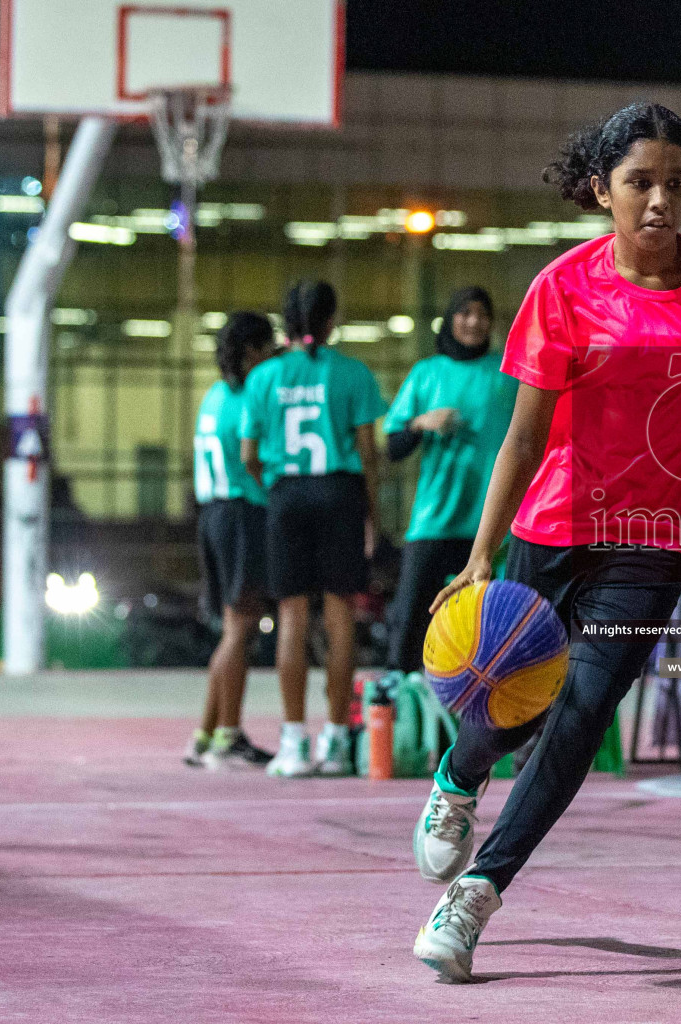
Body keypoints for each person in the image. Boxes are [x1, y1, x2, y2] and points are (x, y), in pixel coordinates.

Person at [410, 102, 681, 984]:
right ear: (601, 188)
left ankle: (477, 894)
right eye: (640, 182)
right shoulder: (562, 289)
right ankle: (458, 777)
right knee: (506, 705)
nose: (659, 201)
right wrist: (482, 553)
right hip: (553, 525)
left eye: (676, 184)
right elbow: (522, 440)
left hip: (651, 541)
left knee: (583, 714)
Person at [240, 280, 387, 778]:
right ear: (331, 320)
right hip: (339, 492)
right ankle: (339, 740)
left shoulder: (264, 378)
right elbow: (368, 453)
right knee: (340, 613)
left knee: (292, 616)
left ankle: (293, 741)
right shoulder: (353, 374)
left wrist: (278, 490)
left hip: (287, 495)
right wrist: (371, 511)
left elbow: (248, 456)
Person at [383, 287, 518, 673]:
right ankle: (401, 707)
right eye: (465, 313)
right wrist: (423, 422)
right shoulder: (427, 373)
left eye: (482, 314)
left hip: (493, 526)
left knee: (492, 628)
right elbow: (392, 445)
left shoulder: (507, 373)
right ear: (450, 320)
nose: (474, 322)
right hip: (436, 517)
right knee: (412, 619)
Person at [184, 312, 276, 770]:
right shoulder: (248, 399)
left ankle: (208, 733)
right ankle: (224, 734)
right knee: (240, 631)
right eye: (267, 347)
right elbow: (255, 458)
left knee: (232, 631)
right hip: (243, 514)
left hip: (213, 515)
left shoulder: (213, 396)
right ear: (252, 351)